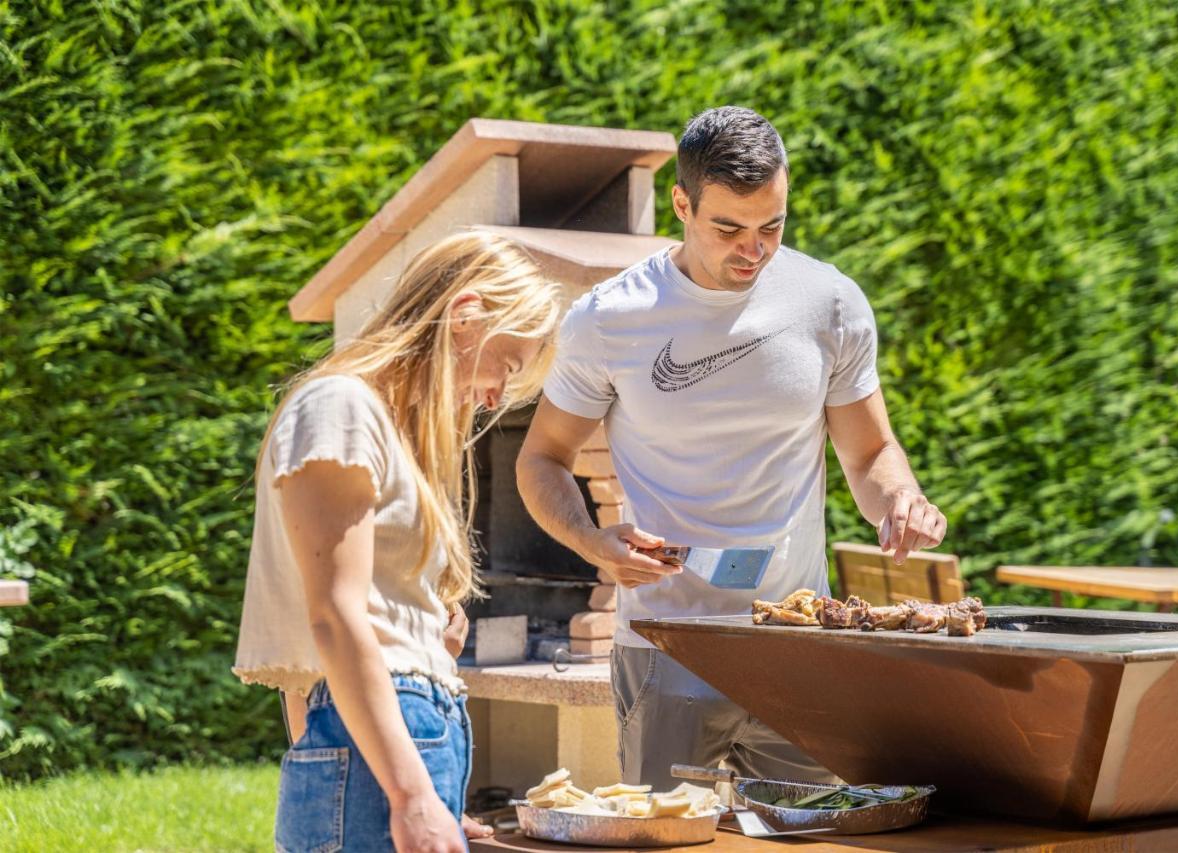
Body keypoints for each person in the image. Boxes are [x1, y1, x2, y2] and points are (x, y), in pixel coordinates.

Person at [515, 107, 947, 789]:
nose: (754, 249)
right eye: (729, 229)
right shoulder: (609, 319)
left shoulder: (829, 303)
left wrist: (902, 499)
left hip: (798, 643)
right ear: (681, 204)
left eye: (771, 226)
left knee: (813, 839)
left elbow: (869, 456)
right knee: (665, 839)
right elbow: (542, 459)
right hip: (666, 641)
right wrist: (594, 541)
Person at [233, 231, 562, 852]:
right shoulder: (342, 407)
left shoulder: (384, 429)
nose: (496, 396)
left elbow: (322, 659)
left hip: (388, 753)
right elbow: (332, 618)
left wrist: (429, 792)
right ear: (466, 317)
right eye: (506, 365)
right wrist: (411, 797)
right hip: (384, 757)